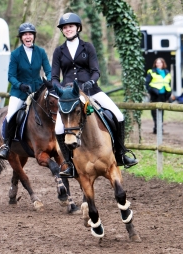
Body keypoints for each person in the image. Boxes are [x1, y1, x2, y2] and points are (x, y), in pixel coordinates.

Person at [51, 12, 138, 177]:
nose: (68, 29)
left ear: (77, 28)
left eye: (70, 26)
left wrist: (91, 81)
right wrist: (58, 88)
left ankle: (120, 153)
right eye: (65, 27)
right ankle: (69, 165)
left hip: (91, 90)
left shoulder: (88, 47)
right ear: (62, 31)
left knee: (119, 115)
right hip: (69, 95)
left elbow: (96, 71)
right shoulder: (58, 51)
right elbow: (54, 77)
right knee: (59, 127)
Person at [0, 22, 52, 159]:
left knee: (53, 108)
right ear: (21, 37)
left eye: (30, 34)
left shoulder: (41, 52)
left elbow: (49, 70)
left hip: (38, 90)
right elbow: (11, 76)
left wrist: (49, 81)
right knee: (11, 115)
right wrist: (20, 85)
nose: (28, 37)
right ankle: (6, 145)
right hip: (20, 92)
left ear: (33, 36)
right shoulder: (16, 54)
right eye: (25, 35)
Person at [145, 58, 172, 134]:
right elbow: (147, 83)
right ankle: (157, 128)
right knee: (154, 111)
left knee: (161, 111)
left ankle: (159, 127)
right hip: (155, 95)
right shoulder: (151, 72)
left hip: (163, 95)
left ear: (163, 64)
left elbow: (168, 83)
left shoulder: (167, 72)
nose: (158, 64)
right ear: (155, 64)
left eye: (160, 63)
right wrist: (151, 90)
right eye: (157, 63)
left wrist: (169, 92)